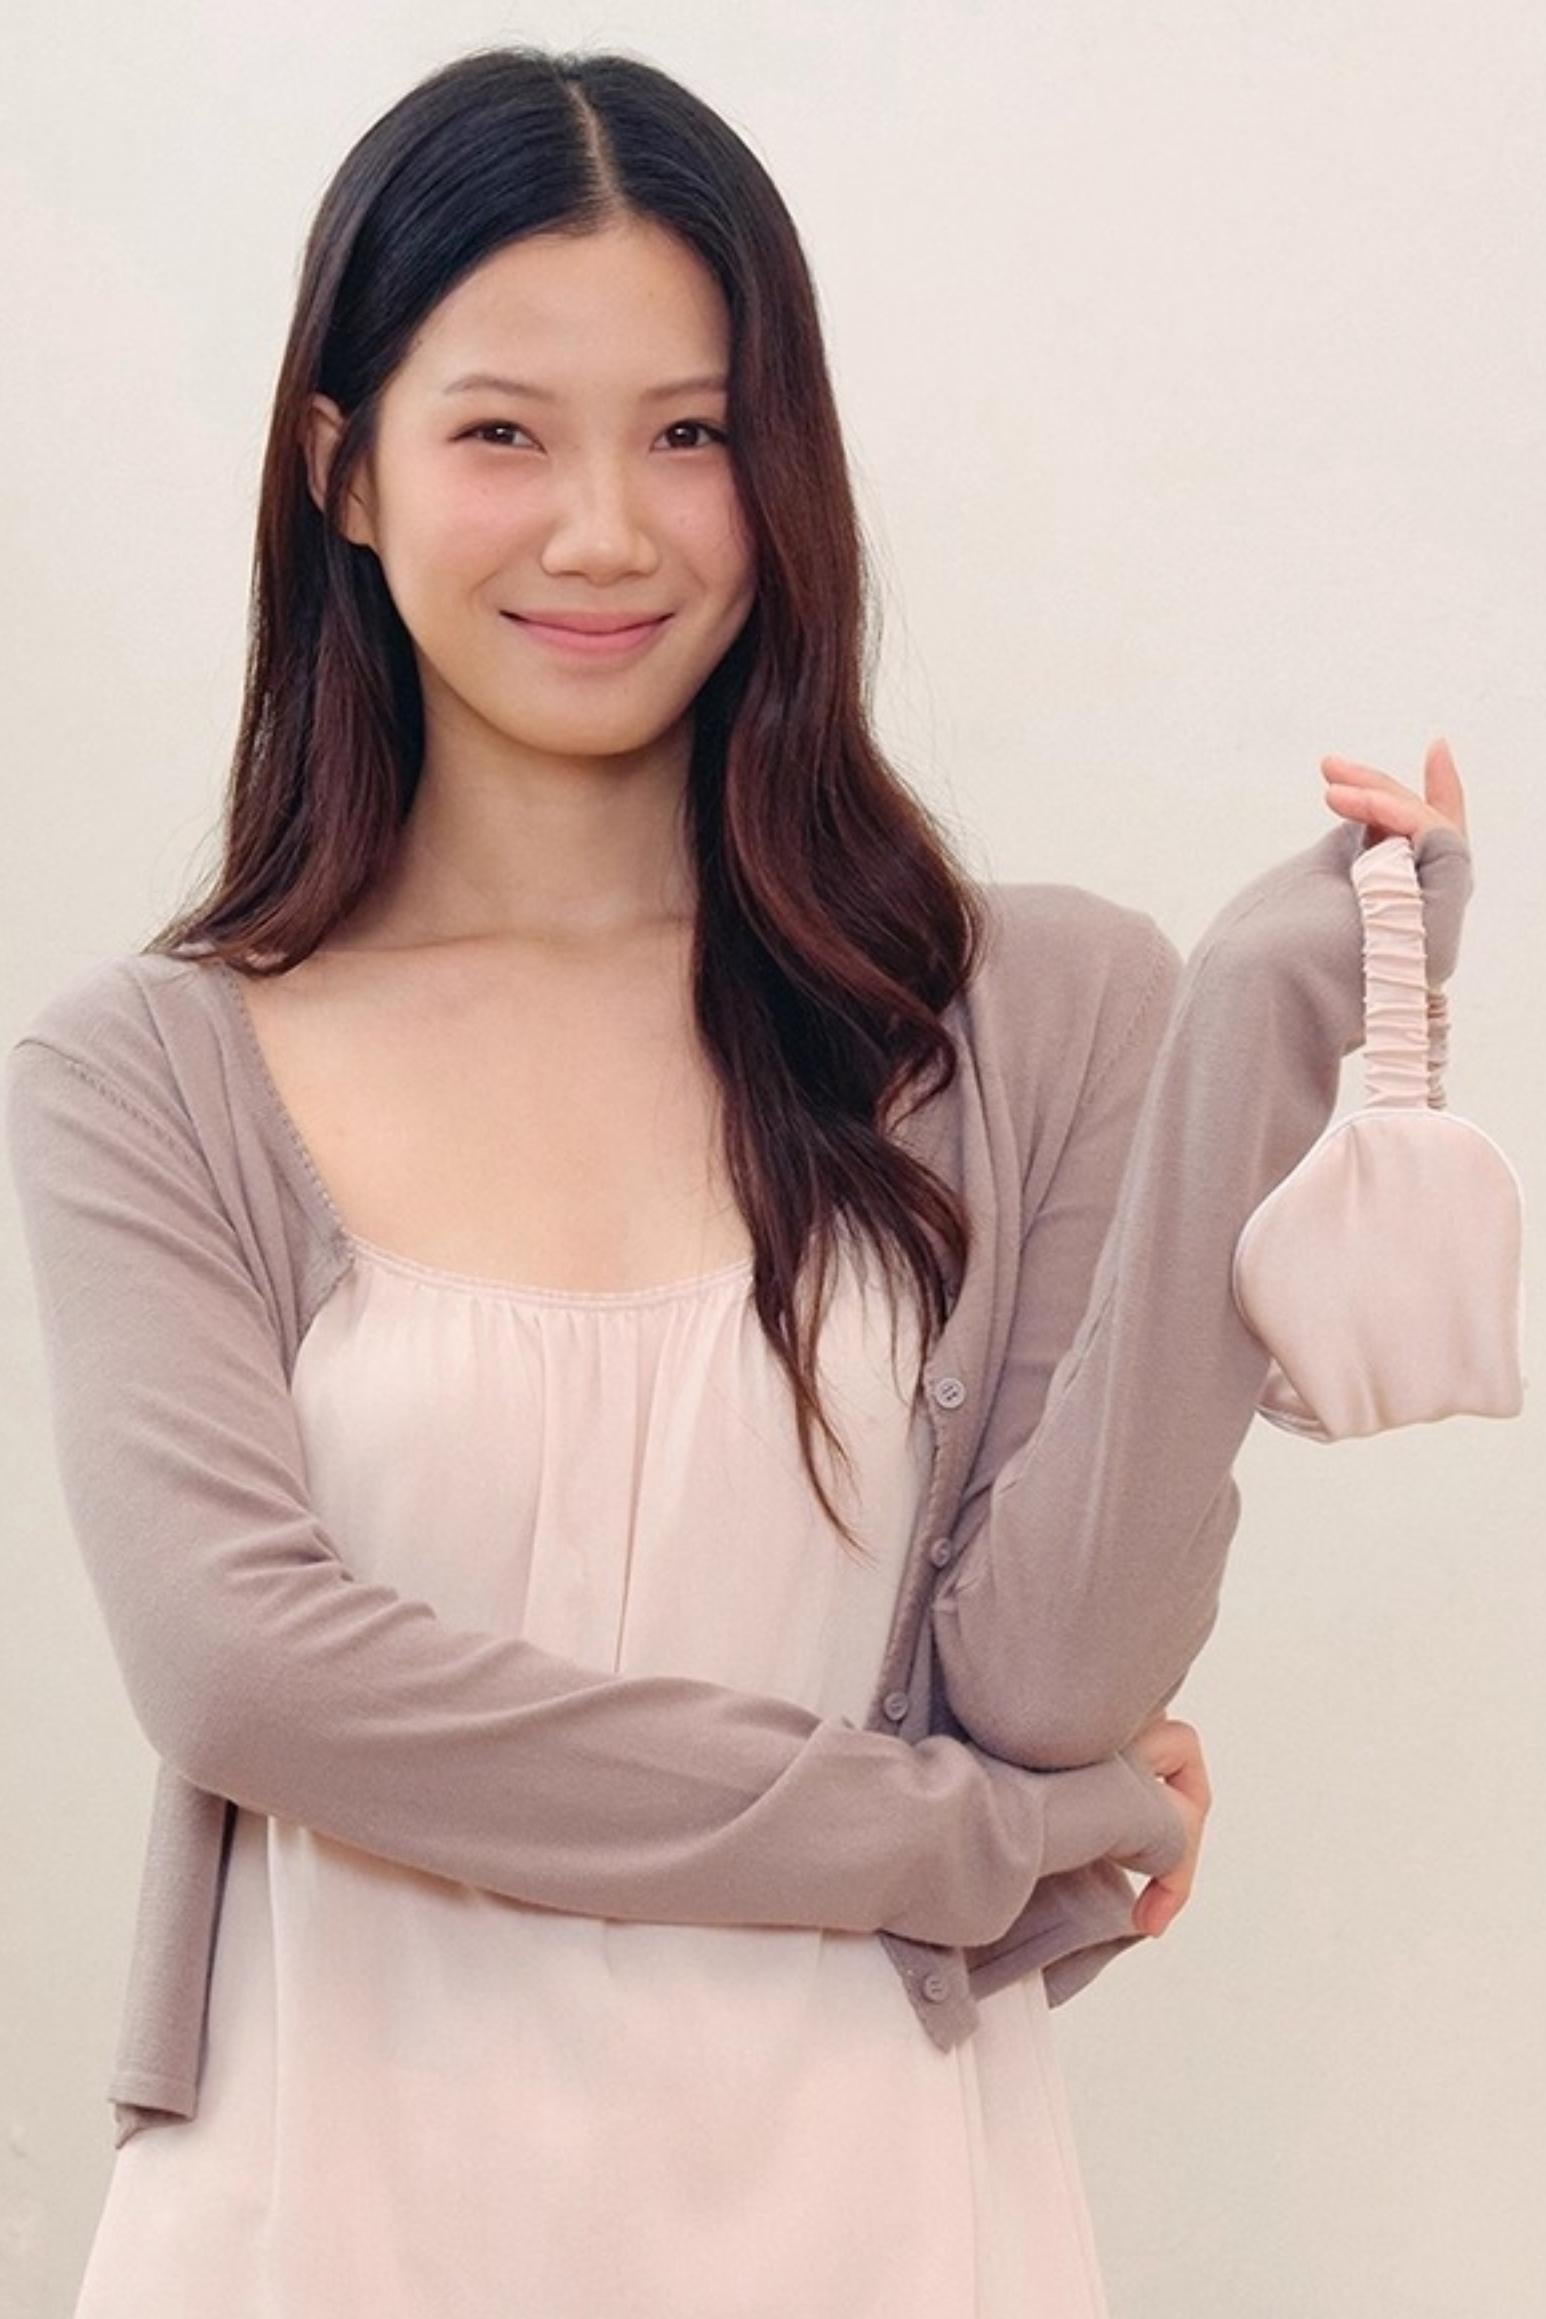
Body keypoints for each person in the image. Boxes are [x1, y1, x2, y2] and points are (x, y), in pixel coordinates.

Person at [7, 41, 1473, 2319]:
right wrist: (963, 1839)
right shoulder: (152, 1071)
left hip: (877, 2219)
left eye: (691, 434)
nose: (607, 530)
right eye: (503, 432)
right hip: (324, 2223)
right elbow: (247, 1674)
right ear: (341, 470)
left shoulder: (1035, 1011)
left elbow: (1051, 1675)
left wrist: (1254, 1038)